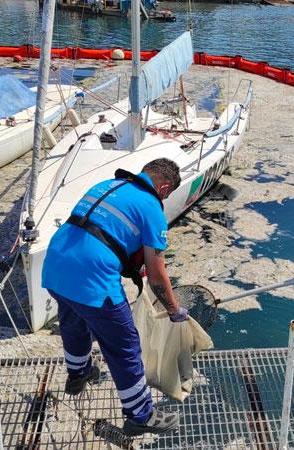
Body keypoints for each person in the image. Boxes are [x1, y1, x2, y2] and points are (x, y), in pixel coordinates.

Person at [41, 158, 187, 436]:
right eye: (166, 195)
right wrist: (173, 309)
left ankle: (78, 373)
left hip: (55, 268)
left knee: (73, 322)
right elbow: (156, 275)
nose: (165, 198)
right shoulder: (152, 208)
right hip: (93, 279)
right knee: (124, 345)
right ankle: (140, 415)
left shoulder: (108, 184)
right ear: (164, 187)